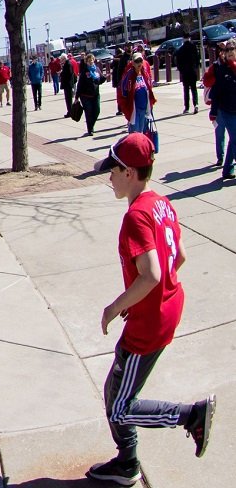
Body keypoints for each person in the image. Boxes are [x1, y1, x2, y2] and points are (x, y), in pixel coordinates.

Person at [86, 132, 216, 484]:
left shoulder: (135, 217)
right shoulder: (160, 201)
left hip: (149, 325)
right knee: (116, 392)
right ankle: (126, 463)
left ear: (129, 172)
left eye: (112, 171)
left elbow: (152, 274)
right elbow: (180, 257)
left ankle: (191, 416)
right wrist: (139, 296)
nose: (108, 177)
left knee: (120, 406)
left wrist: (114, 307)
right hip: (165, 309)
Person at [208, 40, 236, 181]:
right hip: (227, 110)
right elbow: (216, 92)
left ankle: (227, 170)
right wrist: (213, 112)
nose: (230, 52)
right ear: (223, 53)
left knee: (233, 141)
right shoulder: (221, 69)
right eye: (228, 50)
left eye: (233, 49)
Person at [120, 52, 157, 136]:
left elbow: (149, 86)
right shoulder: (129, 74)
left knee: (142, 131)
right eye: (137, 61)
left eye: (140, 60)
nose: (139, 63)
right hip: (135, 108)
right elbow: (124, 89)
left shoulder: (144, 73)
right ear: (133, 63)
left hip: (144, 107)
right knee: (135, 132)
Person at [78, 53, 104, 137]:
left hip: (95, 94)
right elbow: (80, 84)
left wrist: (104, 78)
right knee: (88, 112)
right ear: (86, 62)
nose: (90, 62)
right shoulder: (84, 71)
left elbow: (100, 79)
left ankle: (91, 125)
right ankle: (90, 129)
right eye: (89, 61)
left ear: (94, 60)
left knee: (97, 111)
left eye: (92, 60)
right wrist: (76, 97)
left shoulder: (96, 69)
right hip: (85, 96)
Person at [176, 36, 202, 115]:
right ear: (190, 38)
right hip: (192, 71)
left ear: (183, 39)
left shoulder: (181, 49)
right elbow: (198, 59)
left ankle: (187, 107)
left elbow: (178, 62)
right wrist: (196, 67)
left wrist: (181, 70)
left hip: (185, 72)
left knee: (186, 90)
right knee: (194, 89)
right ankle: (196, 104)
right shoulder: (193, 47)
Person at [60, 52, 81, 119]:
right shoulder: (66, 64)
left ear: (64, 58)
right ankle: (69, 111)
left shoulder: (68, 64)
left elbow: (69, 73)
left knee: (68, 99)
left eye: (62, 59)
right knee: (68, 99)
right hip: (67, 84)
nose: (61, 60)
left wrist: (62, 73)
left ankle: (70, 112)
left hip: (68, 84)